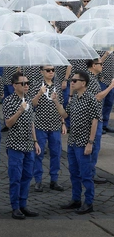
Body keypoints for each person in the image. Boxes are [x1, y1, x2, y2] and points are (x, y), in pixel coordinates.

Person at [54, 70, 101, 214]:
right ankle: (76, 200)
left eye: (74, 80)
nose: (71, 82)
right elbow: (65, 114)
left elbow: (95, 121)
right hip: (73, 142)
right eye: (71, 80)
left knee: (86, 174)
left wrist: (90, 143)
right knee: (74, 173)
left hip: (84, 143)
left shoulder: (91, 99)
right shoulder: (74, 98)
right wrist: (56, 101)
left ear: (83, 83)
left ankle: (88, 202)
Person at [3, 72, 41, 219]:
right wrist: (19, 110)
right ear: (14, 85)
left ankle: (23, 204)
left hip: (28, 145)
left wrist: (35, 141)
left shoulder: (28, 100)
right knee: (15, 177)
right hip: (15, 145)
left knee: (27, 176)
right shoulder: (8, 101)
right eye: (23, 83)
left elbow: (31, 122)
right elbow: (8, 123)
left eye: (28, 83)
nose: (26, 86)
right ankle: (15, 207)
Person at [31, 65, 65, 192]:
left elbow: (60, 104)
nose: (51, 72)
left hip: (55, 124)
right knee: (38, 154)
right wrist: (40, 93)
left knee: (56, 153)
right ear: (42, 72)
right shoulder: (36, 85)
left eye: (53, 70)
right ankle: (38, 180)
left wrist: (63, 122)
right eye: (48, 70)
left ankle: (54, 180)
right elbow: (32, 104)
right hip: (40, 124)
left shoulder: (57, 86)